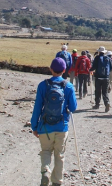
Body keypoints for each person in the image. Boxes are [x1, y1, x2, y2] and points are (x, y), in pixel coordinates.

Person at [31, 58, 77, 186]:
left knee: (46, 151)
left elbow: (37, 108)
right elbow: (73, 108)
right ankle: (57, 182)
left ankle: (45, 171)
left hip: (45, 126)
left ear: (51, 69)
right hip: (61, 127)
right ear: (64, 70)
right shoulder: (68, 86)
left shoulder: (42, 85)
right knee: (59, 155)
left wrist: (34, 126)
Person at [89, 46, 112, 112]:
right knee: (105, 92)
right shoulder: (108, 58)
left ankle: (97, 104)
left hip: (98, 77)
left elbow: (94, 67)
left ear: (99, 52)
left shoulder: (97, 58)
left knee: (98, 91)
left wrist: (90, 70)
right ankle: (107, 103)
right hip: (106, 78)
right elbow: (111, 67)